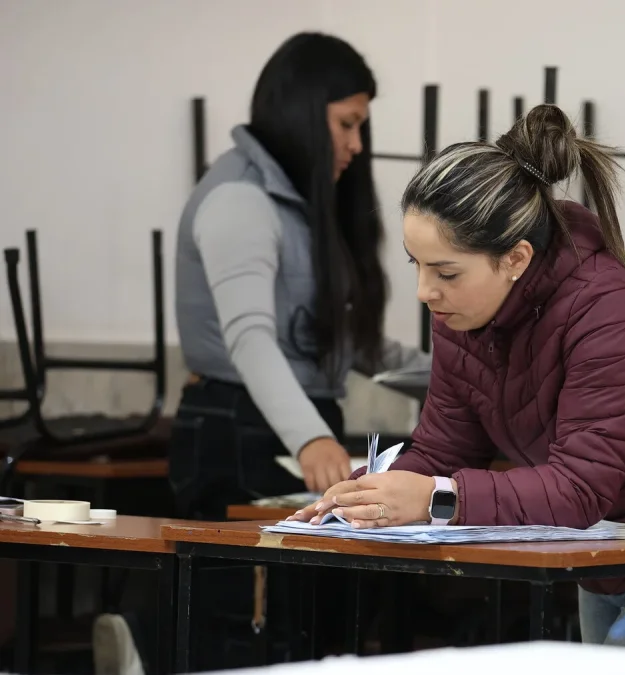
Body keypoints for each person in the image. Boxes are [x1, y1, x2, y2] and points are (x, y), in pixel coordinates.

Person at [291, 104, 625, 649]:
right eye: (416, 264)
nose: (424, 292)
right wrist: (364, 497)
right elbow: (444, 449)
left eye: (446, 272)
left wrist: (434, 498)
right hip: (607, 558)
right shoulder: (463, 314)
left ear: (515, 258)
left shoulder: (614, 312)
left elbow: (578, 489)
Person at [93, 32, 429, 675]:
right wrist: (309, 438)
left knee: (316, 610)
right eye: (347, 124)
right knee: (244, 616)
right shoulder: (240, 198)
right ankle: (145, 642)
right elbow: (250, 338)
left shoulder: (304, 205)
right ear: (302, 113)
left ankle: (148, 642)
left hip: (296, 425)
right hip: (239, 427)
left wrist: (461, 376)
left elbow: (349, 344)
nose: (358, 144)